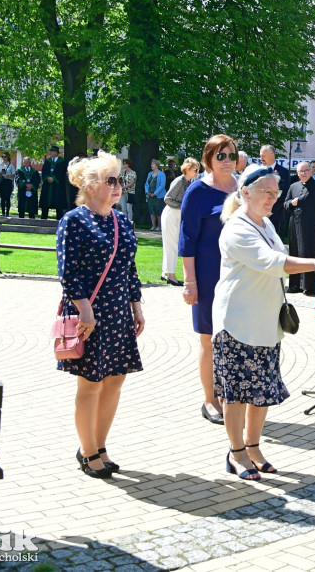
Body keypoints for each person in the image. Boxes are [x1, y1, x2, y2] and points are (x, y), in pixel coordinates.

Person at [214, 164, 315, 480]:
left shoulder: (265, 224)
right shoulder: (237, 228)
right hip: (238, 323)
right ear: (245, 192)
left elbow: (277, 257)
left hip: (266, 324)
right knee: (236, 395)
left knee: (261, 392)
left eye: (276, 192)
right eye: (267, 191)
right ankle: (236, 452)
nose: (273, 198)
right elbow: (273, 262)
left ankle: (253, 446)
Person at [57, 152, 145, 479]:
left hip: (118, 313)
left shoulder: (122, 220)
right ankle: (87, 449)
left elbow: (129, 269)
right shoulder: (74, 221)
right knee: (90, 384)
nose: (118, 185)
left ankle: (99, 445)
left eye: (119, 179)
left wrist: (136, 306)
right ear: (91, 185)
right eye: (111, 180)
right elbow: (68, 273)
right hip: (88, 317)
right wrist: (84, 310)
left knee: (115, 380)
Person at [181, 135, 239, 425]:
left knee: (236, 336)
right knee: (208, 338)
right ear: (208, 160)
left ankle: (232, 394)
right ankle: (210, 399)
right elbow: (187, 238)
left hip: (239, 276)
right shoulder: (198, 191)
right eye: (221, 156)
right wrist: (189, 281)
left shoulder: (243, 187)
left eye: (231, 155)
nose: (227, 161)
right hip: (207, 274)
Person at [284, 161, 315, 295]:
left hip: (312, 227)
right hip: (295, 225)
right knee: (295, 253)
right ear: (297, 173)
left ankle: (309, 285)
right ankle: (295, 284)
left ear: (310, 172)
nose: (303, 173)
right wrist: (292, 203)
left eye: (306, 171)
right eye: (301, 171)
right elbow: (285, 205)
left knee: (308, 253)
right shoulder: (293, 186)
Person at [160, 157, 201, 285]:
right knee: (171, 244)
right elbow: (167, 198)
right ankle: (170, 275)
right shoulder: (180, 181)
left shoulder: (188, 182)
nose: (197, 172)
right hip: (171, 213)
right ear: (187, 169)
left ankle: (166, 272)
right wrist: (183, 206)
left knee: (172, 243)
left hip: (177, 214)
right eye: (195, 169)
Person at [258, 145, 291, 238]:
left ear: (272, 156)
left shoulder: (283, 172)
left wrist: (270, 211)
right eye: (260, 156)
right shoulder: (258, 171)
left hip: (276, 215)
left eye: (263, 155)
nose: (261, 158)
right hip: (258, 214)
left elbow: (284, 193)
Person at [40, 145, 67, 220]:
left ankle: (58, 221)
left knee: (58, 204)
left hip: (57, 186)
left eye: (53, 151)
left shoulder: (62, 162)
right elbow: (44, 171)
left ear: (56, 153)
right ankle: (43, 220)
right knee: (45, 204)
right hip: (48, 185)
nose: (51, 152)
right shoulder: (48, 161)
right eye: (51, 151)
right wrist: (47, 177)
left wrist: (54, 178)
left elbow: (62, 172)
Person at [145, 158, 167, 231]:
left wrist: (155, 193)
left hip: (159, 196)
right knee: (152, 211)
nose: (151, 165)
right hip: (150, 196)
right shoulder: (149, 174)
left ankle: (159, 226)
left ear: (156, 165)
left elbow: (162, 185)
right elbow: (146, 184)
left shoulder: (162, 174)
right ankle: (153, 226)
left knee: (159, 211)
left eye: (152, 164)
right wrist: (147, 192)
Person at [0, 151, 16, 216]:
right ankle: (3, 212)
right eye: (2, 157)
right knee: (2, 198)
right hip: (2, 183)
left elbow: (14, 174)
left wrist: (8, 176)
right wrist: (1, 172)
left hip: (8, 182)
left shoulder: (11, 165)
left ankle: (7, 213)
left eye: (5, 157)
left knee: (7, 198)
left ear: (8, 157)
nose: (4, 158)